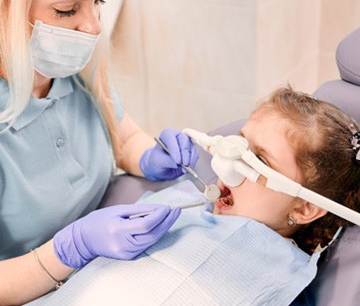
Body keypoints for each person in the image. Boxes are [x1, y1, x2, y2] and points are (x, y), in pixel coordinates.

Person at [28, 87, 360, 305]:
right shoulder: (183, 201)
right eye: (238, 142)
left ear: (304, 207)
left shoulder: (281, 275)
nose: (226, 162)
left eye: (258, 160)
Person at [0, 0, 198, 305]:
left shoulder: (74, 73)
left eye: (98, 1)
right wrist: (70, 249)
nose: (93, 27)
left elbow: (123, 136)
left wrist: (149, 154)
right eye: (66, 9)